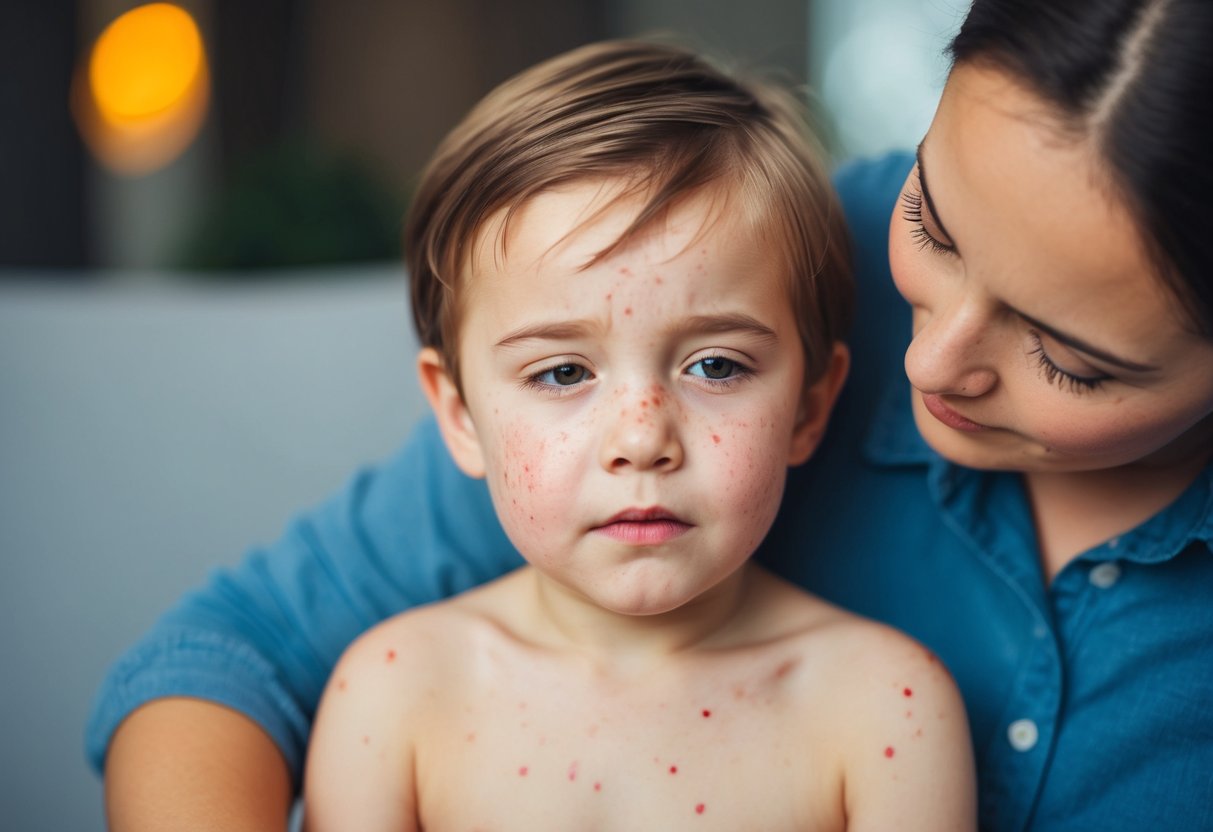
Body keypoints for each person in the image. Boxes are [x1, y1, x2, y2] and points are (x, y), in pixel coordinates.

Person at [89, 0, 1213, 830]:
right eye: (936, 222)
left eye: (1068, 359)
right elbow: (237, 650)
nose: (926, 357)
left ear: (811, 394)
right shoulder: (756, 247)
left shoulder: (880, 705)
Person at [297, 40, 974, 832]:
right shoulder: (394, 697)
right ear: (457, 415)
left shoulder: (883, 711)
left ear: (809, 405)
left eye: (715, 365)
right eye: (561, 373)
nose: (642, 438)